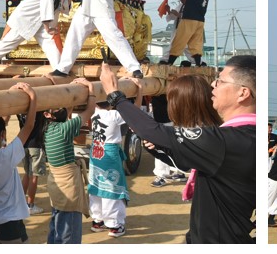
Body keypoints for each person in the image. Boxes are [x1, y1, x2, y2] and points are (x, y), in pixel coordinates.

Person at [97, 56, 256, 243]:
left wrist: (114, 95)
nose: (213, 84)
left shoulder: (227, 140)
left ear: (243, 93)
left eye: (220, 81)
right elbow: (192, 163)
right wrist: (159, 147)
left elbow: (152, 130)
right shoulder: (245, 135)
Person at [0, 83, 44, 244]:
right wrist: (33, 96)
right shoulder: (5, 157)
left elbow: (0, 127)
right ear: (3, 134)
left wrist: (9, 97)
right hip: (8, 222)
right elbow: (29, 126)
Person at [43, 99, 92, 243]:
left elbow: (66, 111)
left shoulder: (48, 129)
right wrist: (91, 91)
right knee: (68, 235)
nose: (62, 108)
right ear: (47, 114)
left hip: (56, 187)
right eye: (57, 107)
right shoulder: (64, 129)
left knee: (57, 228)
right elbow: (90, 110)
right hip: (69, 188)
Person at [86, 93, 130, 237]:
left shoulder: (93, 112)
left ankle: (97, 220)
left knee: (96, 185)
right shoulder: (114, 114)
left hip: (96, 151)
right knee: (112, 187)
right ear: (111, 103)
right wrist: (140, 93)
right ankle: (114, 224)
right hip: (109, 154)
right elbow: (133, 112)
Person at [166, 0, 209, 66]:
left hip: (189, 19)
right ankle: (198, 64)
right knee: (195, 43)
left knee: (179, 40)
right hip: (200, 21)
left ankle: (170, 63)